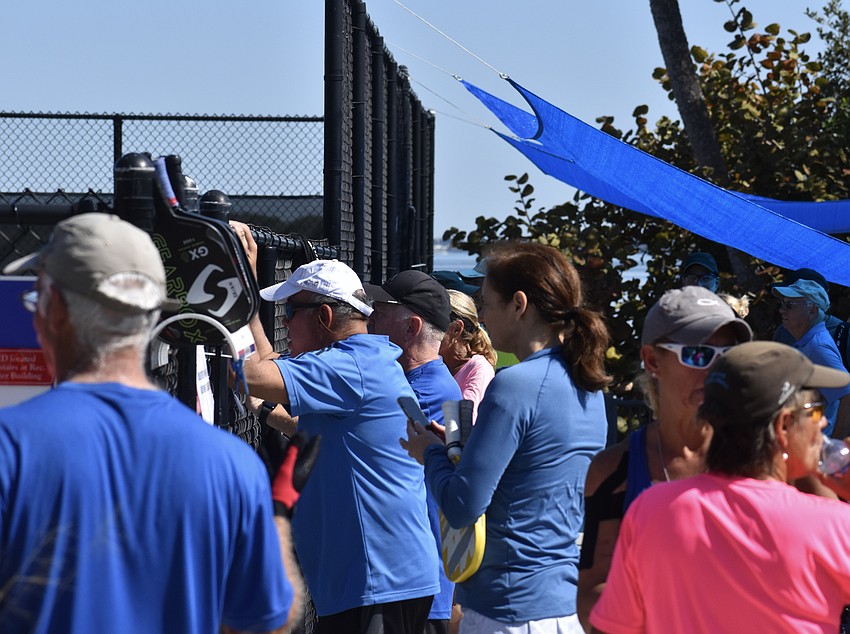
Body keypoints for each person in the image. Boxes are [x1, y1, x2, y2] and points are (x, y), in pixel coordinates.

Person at [0, 213, 299, 634]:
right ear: (154, 317)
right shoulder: (232, 464)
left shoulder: (9, 446)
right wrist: (278, 518)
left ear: (55, 310)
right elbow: (267, 618)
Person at [230, 221, 440, 634]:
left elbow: (250, 373)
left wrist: (233, 289)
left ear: (325, 316)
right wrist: (252, 300)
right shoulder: (362, 359)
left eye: (291, 313)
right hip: (380, 581)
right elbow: (269, 361)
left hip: (375, 584)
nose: (285, 323)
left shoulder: (350, 367)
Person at [402, 241, 610, 633]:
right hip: (561, 604)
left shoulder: (515, 385)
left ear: (518, 304)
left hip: (508, 609)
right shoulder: (590, 386)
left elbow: (463, 505)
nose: (481, 316)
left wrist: (428, 452)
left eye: (486, 303)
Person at [589, 341, 850, 633]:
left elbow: (613, 626)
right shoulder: (831, 524)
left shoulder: (651, 509)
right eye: (815, 411)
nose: (824, 421)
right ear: (784, 426)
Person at [576, 286, 752, 628]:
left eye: (727, 356)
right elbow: (592, 591)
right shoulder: (615, 470)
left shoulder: (761, 457)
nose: (716, 370)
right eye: (699, 355)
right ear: (653, 361)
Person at [366, 270, 463, 634]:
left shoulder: (427, 393)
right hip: (416, 580)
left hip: (418, 586)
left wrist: (268, 409)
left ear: (412, 326)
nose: (371, 316)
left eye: (383, 309)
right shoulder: (434, 385)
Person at [772, 277, 850, 436]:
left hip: (818, 446)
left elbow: (847, 393)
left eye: (789, 305)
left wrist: (834, 443)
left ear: (813, 311)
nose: (782, 310)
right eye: (782, 304)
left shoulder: (817, 347)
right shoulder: (808, 342)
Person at [438, 289, 497, 421]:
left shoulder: (479, 369)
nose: (427, 328)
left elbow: (465, 421)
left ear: (456, 329)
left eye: (435, 323)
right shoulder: (437, 363)